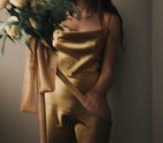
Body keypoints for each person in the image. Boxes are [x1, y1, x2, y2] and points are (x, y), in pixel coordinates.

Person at [43, 0, 124, 142]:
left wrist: (96, 92)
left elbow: (108, 69)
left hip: (92, 108)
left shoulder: (110, 20)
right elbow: (43, 58)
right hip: (54, 105)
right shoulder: (55, 16)